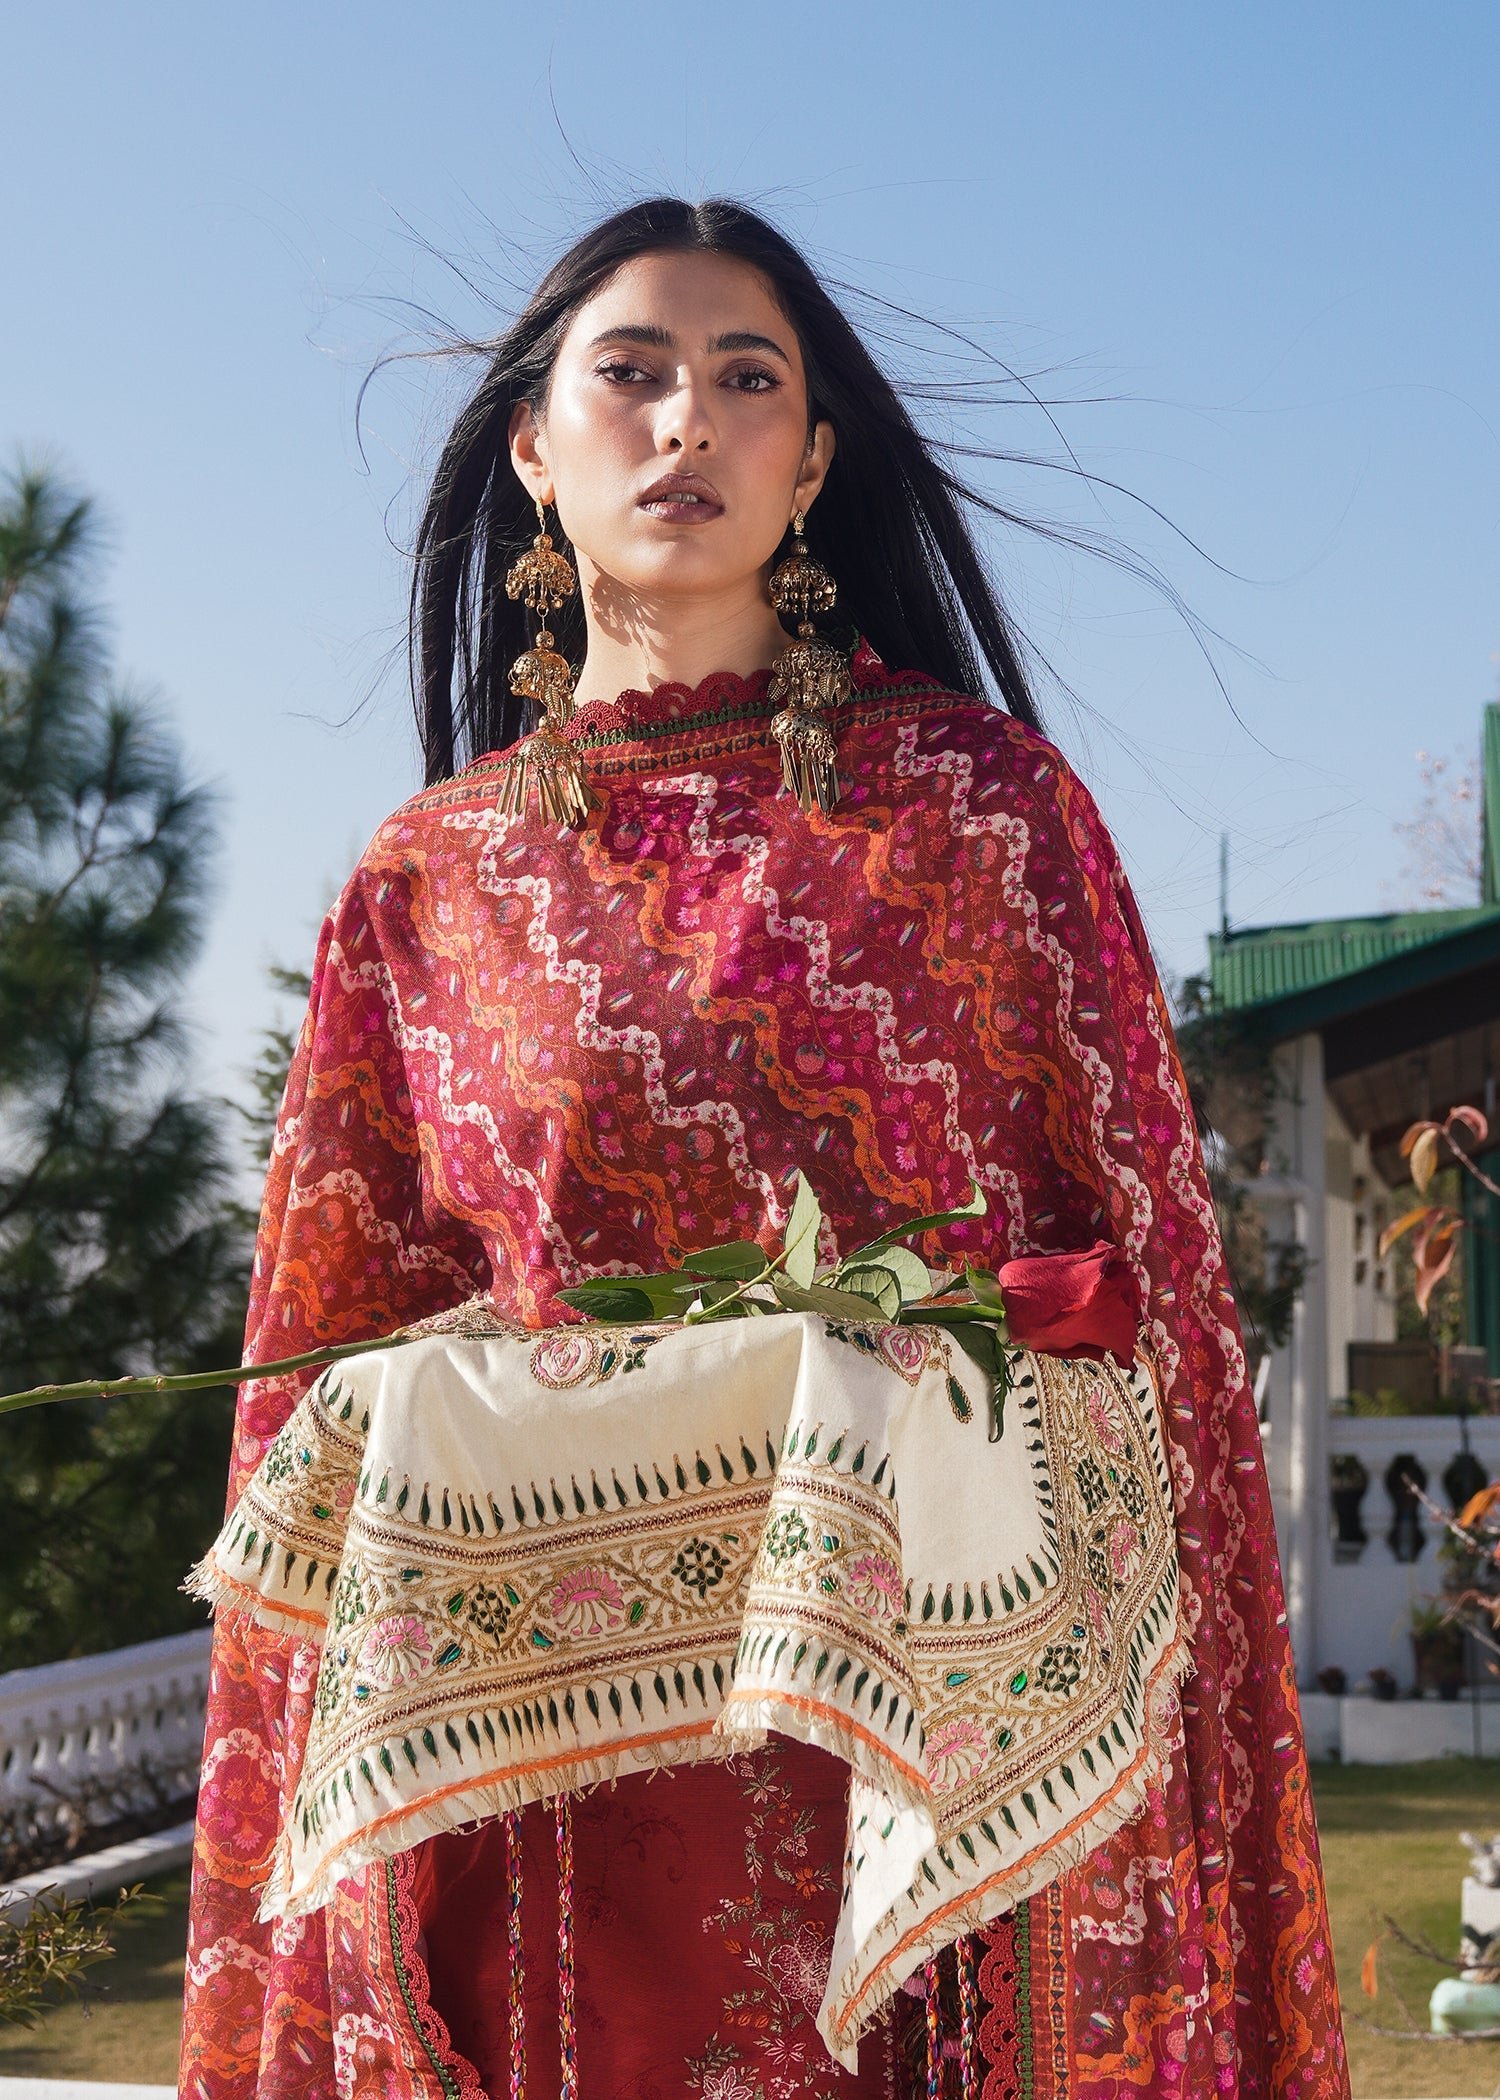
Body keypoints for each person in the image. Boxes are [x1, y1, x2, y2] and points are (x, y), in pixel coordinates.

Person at [181, 197, 1350, 2100]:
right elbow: (318, 1364)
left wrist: (909, 1390)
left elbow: (1159, 1324)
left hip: (925, 1756)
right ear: (533, 450)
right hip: (543, 1788)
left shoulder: (981, 814)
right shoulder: (430, 879)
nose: (685, 422)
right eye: (630, 374)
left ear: (808, 465)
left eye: (746, 380)